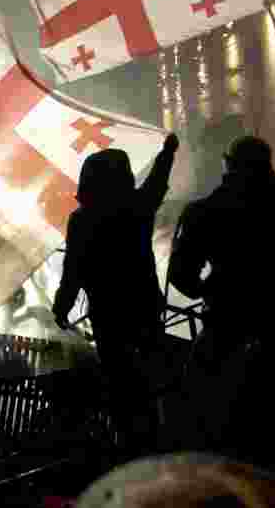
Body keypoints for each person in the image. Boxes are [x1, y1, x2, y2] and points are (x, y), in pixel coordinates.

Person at [165, 94, 275, 460]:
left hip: (227, 321)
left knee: (198, 403)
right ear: (266, 164)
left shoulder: (203, 212)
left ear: (228, 165)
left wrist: (207, 288)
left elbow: (181, 275)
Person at [52, 132, 179, 457]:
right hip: (144, 307)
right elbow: (157, 182)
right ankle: (157, 440)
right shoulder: (139, 207)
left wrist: (62, 306)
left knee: (120, 382)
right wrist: (167, 151)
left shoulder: (81, 220)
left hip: (108, 315)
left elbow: (74, 269)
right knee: (151, 376)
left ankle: (127, 445)